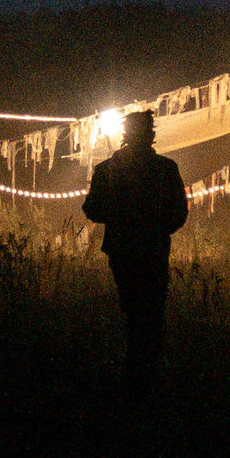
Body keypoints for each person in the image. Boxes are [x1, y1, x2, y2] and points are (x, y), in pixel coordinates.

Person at [83, 111, 189, 387]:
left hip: (122, 248)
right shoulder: (165, 168)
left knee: (132, 309)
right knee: (152, 310)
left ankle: (135, 370)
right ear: (151, 134)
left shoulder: (107, 169)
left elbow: (92, 209)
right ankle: (148, 370)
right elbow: (179, 212)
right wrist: (157, 227)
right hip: (153, 248)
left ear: (125, 135)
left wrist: (120, 217)